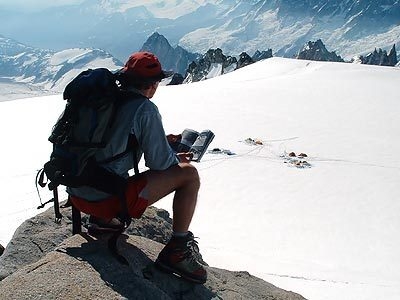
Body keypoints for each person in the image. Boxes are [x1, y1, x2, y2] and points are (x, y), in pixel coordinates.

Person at [67, 51, 207, 284]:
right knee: (190, 175)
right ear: (152, 85)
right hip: (106, 200)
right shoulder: (144, 109)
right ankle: (177, 251)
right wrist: (175, 156)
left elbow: (111, 141)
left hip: (77, 193)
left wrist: (160, 140)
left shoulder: (105, 99)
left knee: (107, 168)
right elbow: (159, 163)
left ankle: (102, 223)